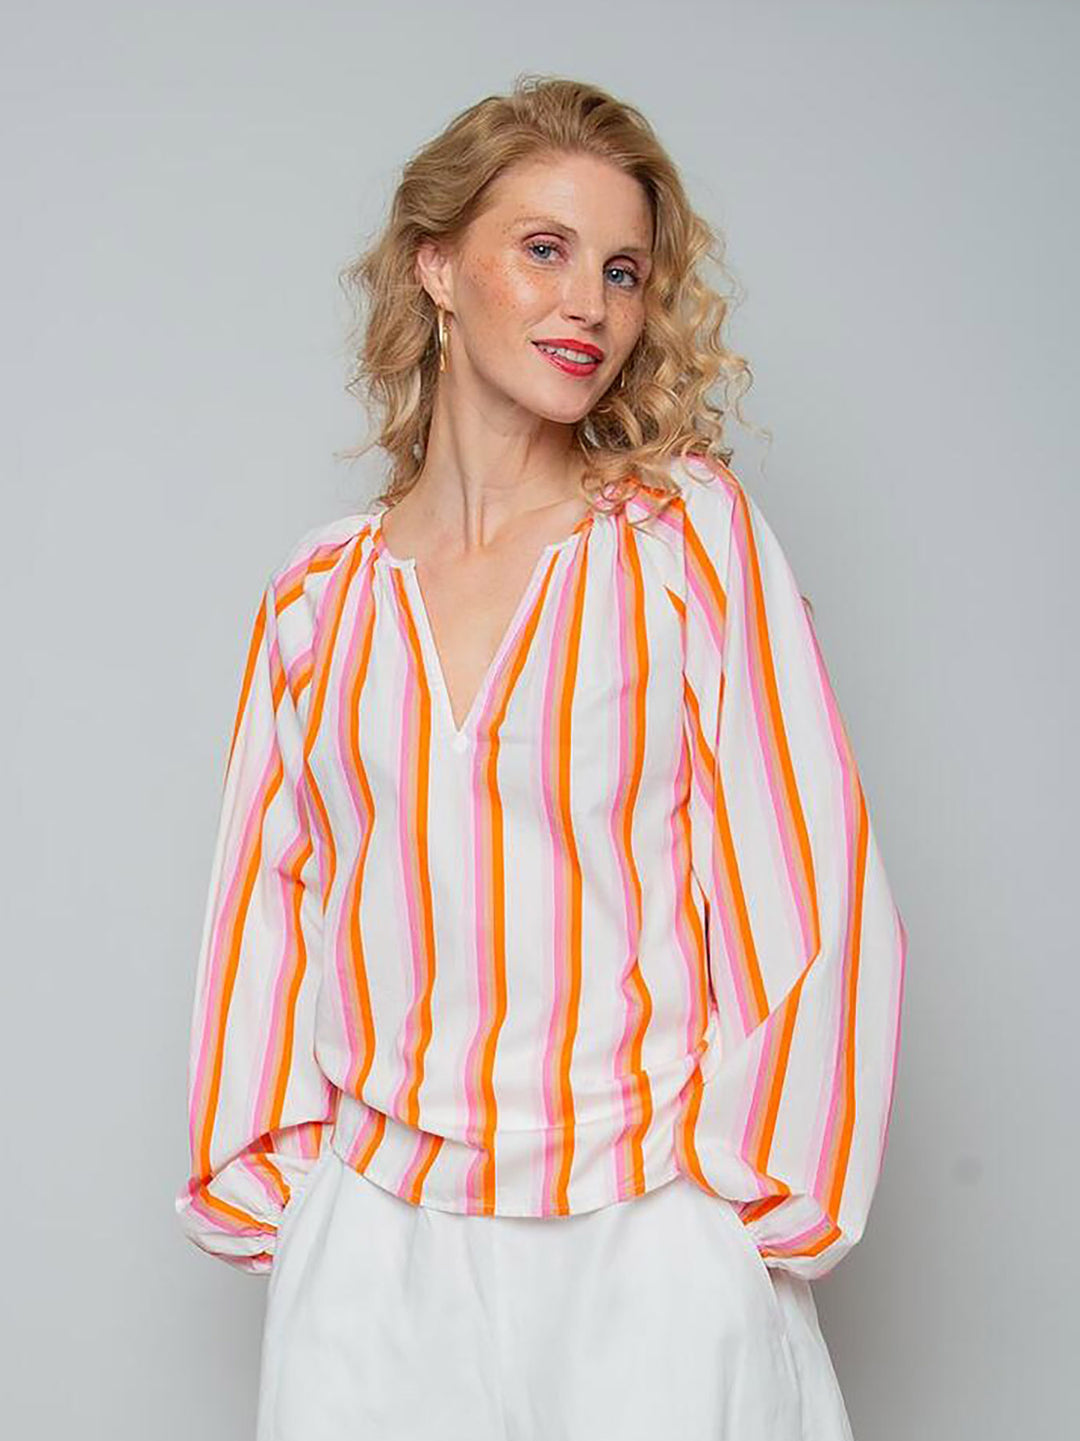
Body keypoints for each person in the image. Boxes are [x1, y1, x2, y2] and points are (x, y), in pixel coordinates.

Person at [175, 74, 907, 1441]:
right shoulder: (318, 600)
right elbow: (265, 917)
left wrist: (734, 1219)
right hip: (376, 1262)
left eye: (622, 270)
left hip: (646, 1241)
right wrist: (295, 1203)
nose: (590, 306)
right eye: (546, 249)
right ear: (436, 266)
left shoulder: (683, 543)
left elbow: (809, 883)